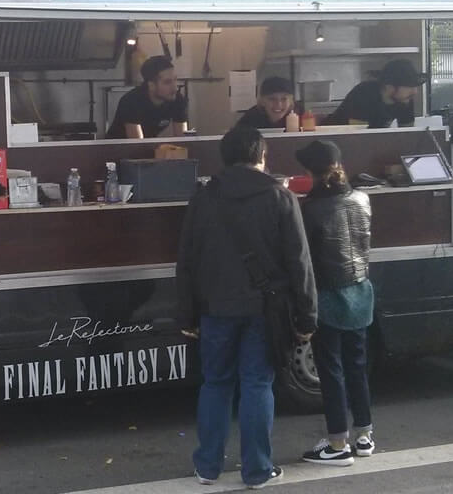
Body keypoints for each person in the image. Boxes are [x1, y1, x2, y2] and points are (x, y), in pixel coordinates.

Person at [177, 126, 317, 489]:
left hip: (215, 308)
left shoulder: (203, 198)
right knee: (257, 384)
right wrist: (307, 315)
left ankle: (208, 467)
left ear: (224, 158)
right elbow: (299, 261)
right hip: (264, 309)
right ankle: (256, 470)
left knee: (216, 384)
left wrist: (187, 312)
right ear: (262, 156)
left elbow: (187, 259)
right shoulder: (280, 197)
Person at [294, 140, 377, 467]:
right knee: (357, 366)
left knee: (331, 372)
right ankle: (364, 436)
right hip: (361, 292)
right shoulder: (362, 198)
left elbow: (305, 259)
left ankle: (337, 443)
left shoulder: (311, 209)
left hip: (329, 297)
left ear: (310, 171)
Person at [323, 59, 425, 128]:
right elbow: (358, 136)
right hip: (332, 142)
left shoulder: (404, 100)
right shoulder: (363, 94)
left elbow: (406, 133)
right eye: (409, 86)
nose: (415, 91)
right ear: (389, 86)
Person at [106, 55, 189, 139]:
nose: (175, 87)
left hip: (146, 144)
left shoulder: (177, 99)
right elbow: (137, 143)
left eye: (175, 80)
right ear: (151, 85)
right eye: (167, 82)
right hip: (117, 146)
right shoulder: (131, 101)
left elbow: (182, 139)